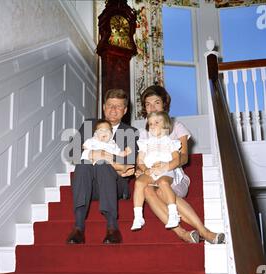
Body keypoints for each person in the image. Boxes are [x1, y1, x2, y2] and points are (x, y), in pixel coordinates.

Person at [137, 85, 225, 244]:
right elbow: (142, 159)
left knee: (162, 191)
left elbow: (184, 158)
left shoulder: (177, 127)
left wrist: (166, 165)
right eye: (148, 104)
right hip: (153, 177)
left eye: (156, 103)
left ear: (164, 104)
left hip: (173, 176)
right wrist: (141, 170)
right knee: (147, 189)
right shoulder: (144, 132)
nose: (152, 107)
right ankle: (181, 233)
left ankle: (203, 230)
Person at [66, 89, 138, 244]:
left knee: (102, 165)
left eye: (118, 106)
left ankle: (112, 228)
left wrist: (104, 156)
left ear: (125, 111)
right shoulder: (89, 125)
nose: (113, 109)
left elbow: (129, 164)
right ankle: (78, 228)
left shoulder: (130, 132)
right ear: (104, 107)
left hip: (115, 185)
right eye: (110, 105)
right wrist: (95, 154)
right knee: (83, 164)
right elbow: (73, 152)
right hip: (89, 184)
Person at [132, 111, 182, 230]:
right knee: (139, 183)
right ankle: (138, 216)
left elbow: (176, 160)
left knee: (163, 183)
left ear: (165, 125)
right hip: (150, 171)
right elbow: (140, 160)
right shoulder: (146, 143)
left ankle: (173, 214)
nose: (152, 125)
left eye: (156, 122)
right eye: (150, 124)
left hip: (165, 170)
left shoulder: (171, 142)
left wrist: (165, 166)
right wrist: (145, 169)